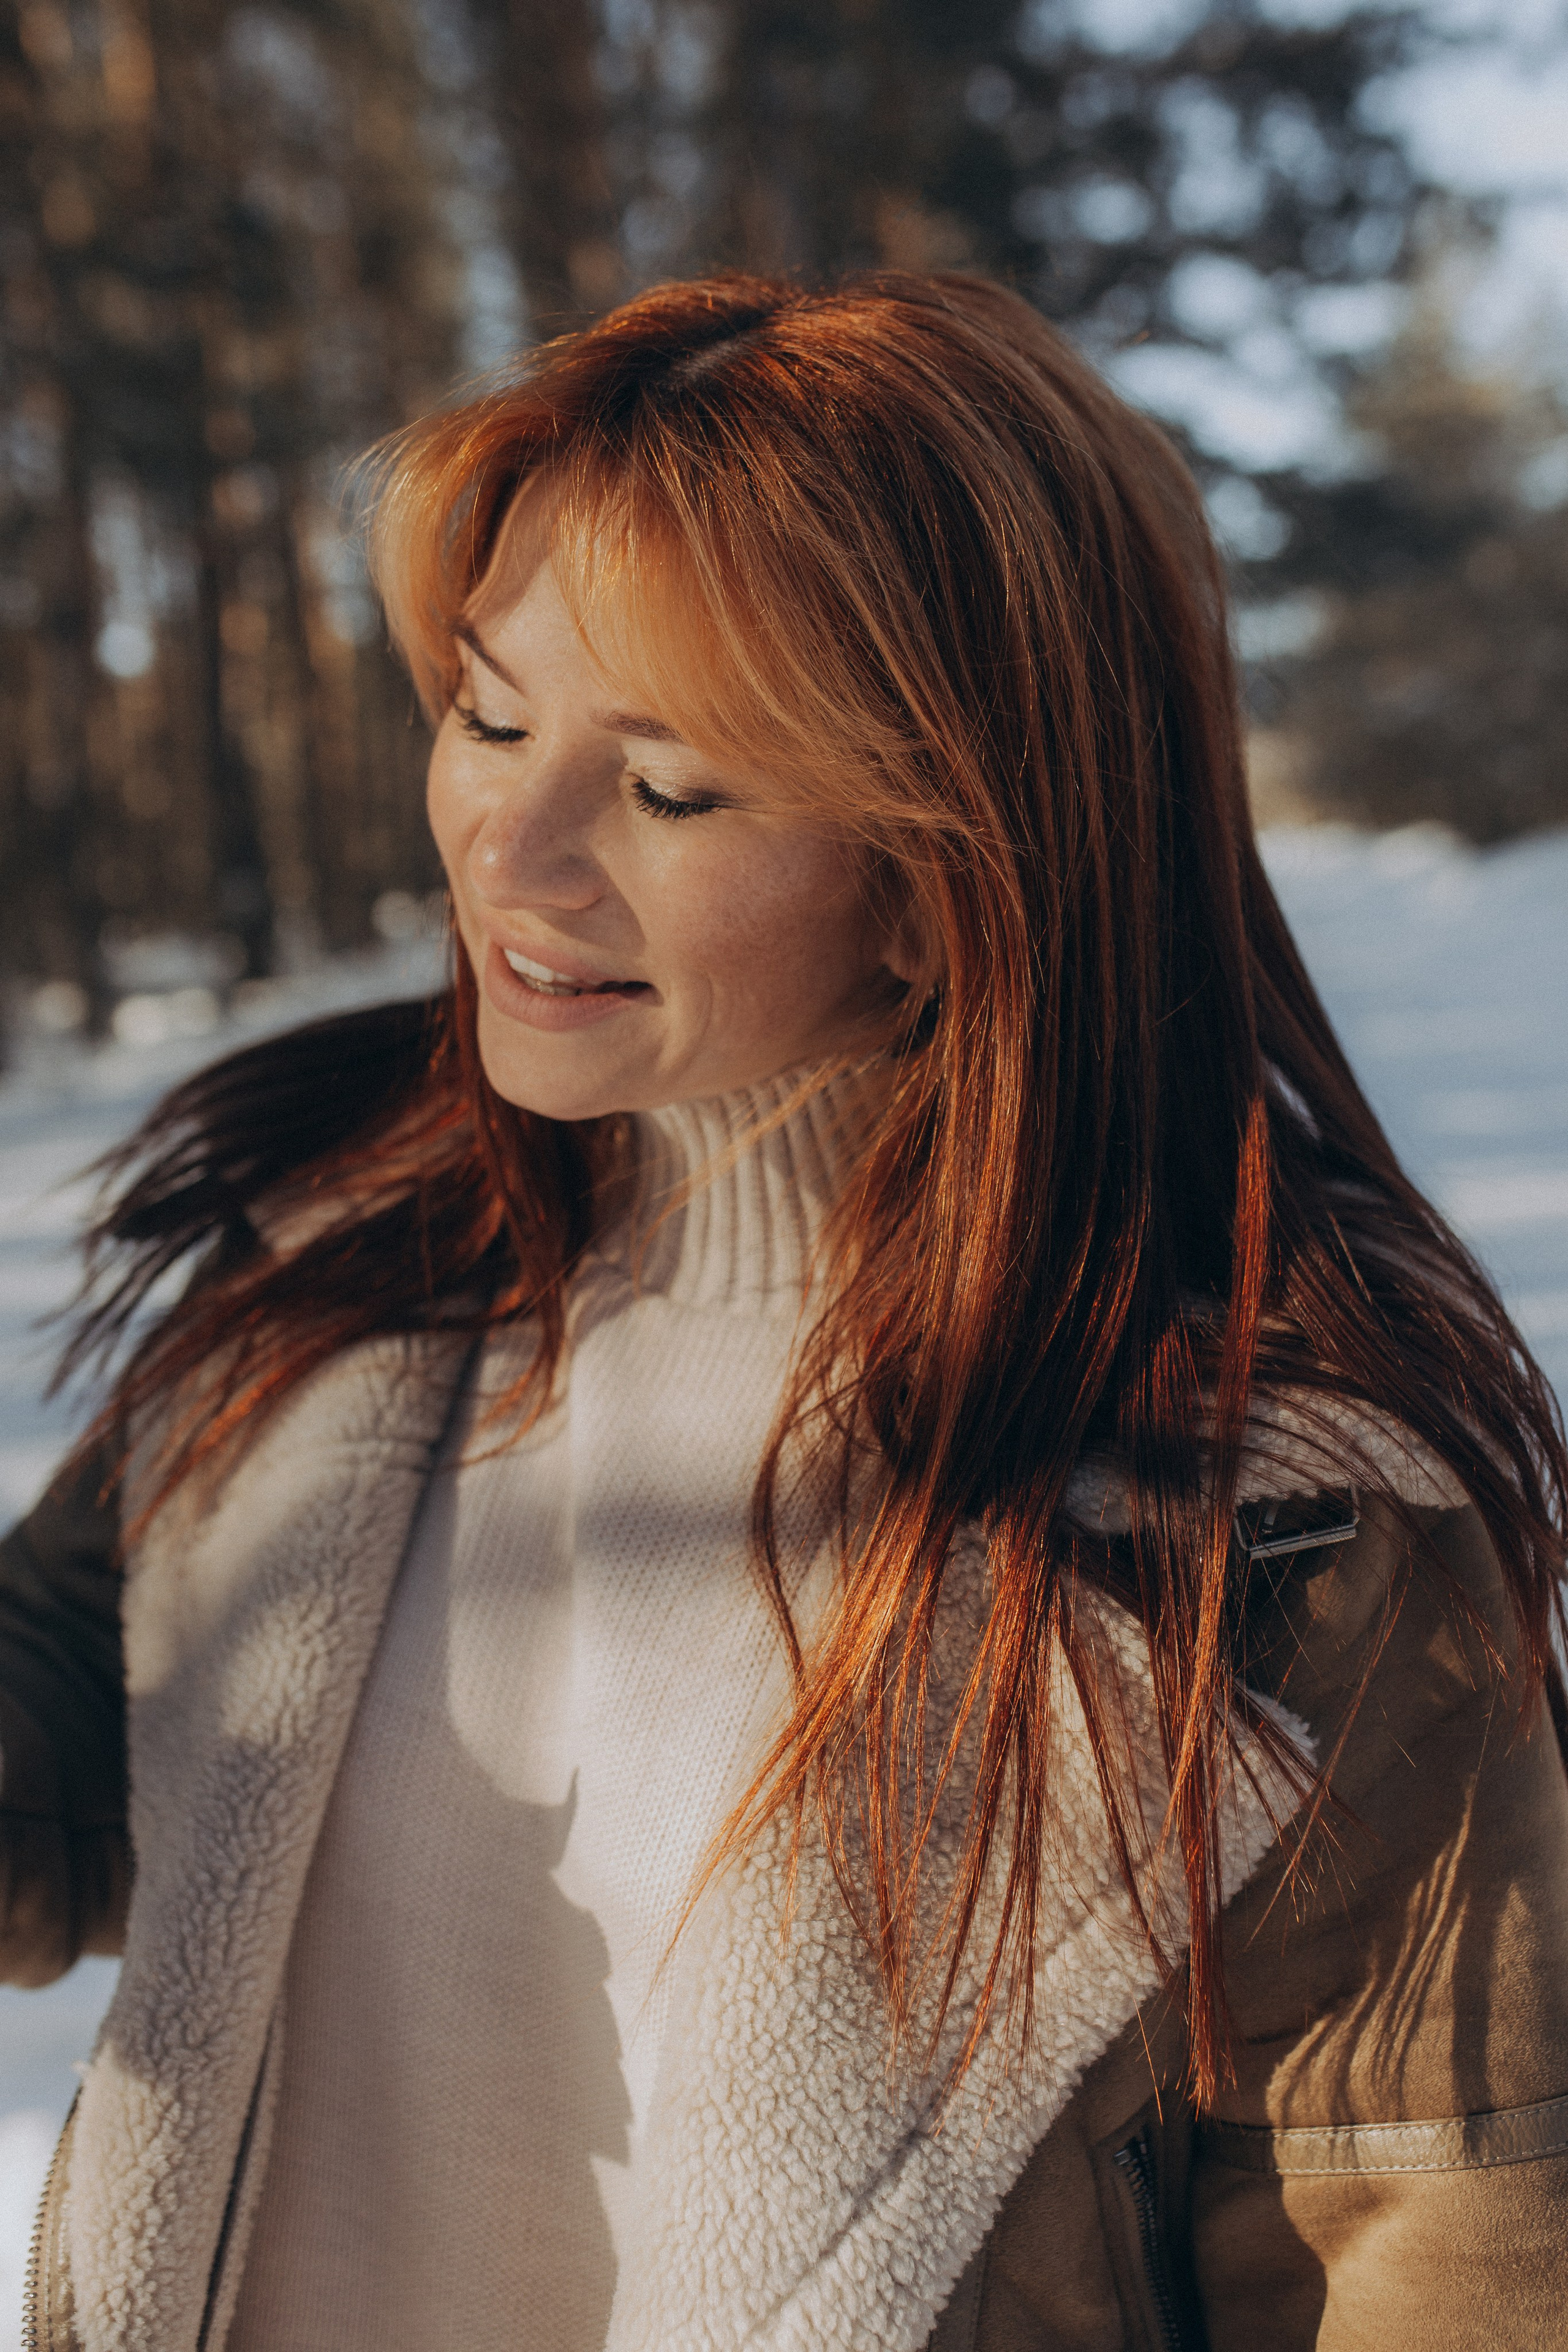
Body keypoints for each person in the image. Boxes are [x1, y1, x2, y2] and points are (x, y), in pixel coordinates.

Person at [3, 271, 1566, 2352]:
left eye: (669, 791)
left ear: (950, 877)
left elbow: (1436, 2274)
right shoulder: (328, 1259)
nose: (513, 854)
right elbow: (60, 1729)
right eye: (488, 714)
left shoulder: (1279, 1530)